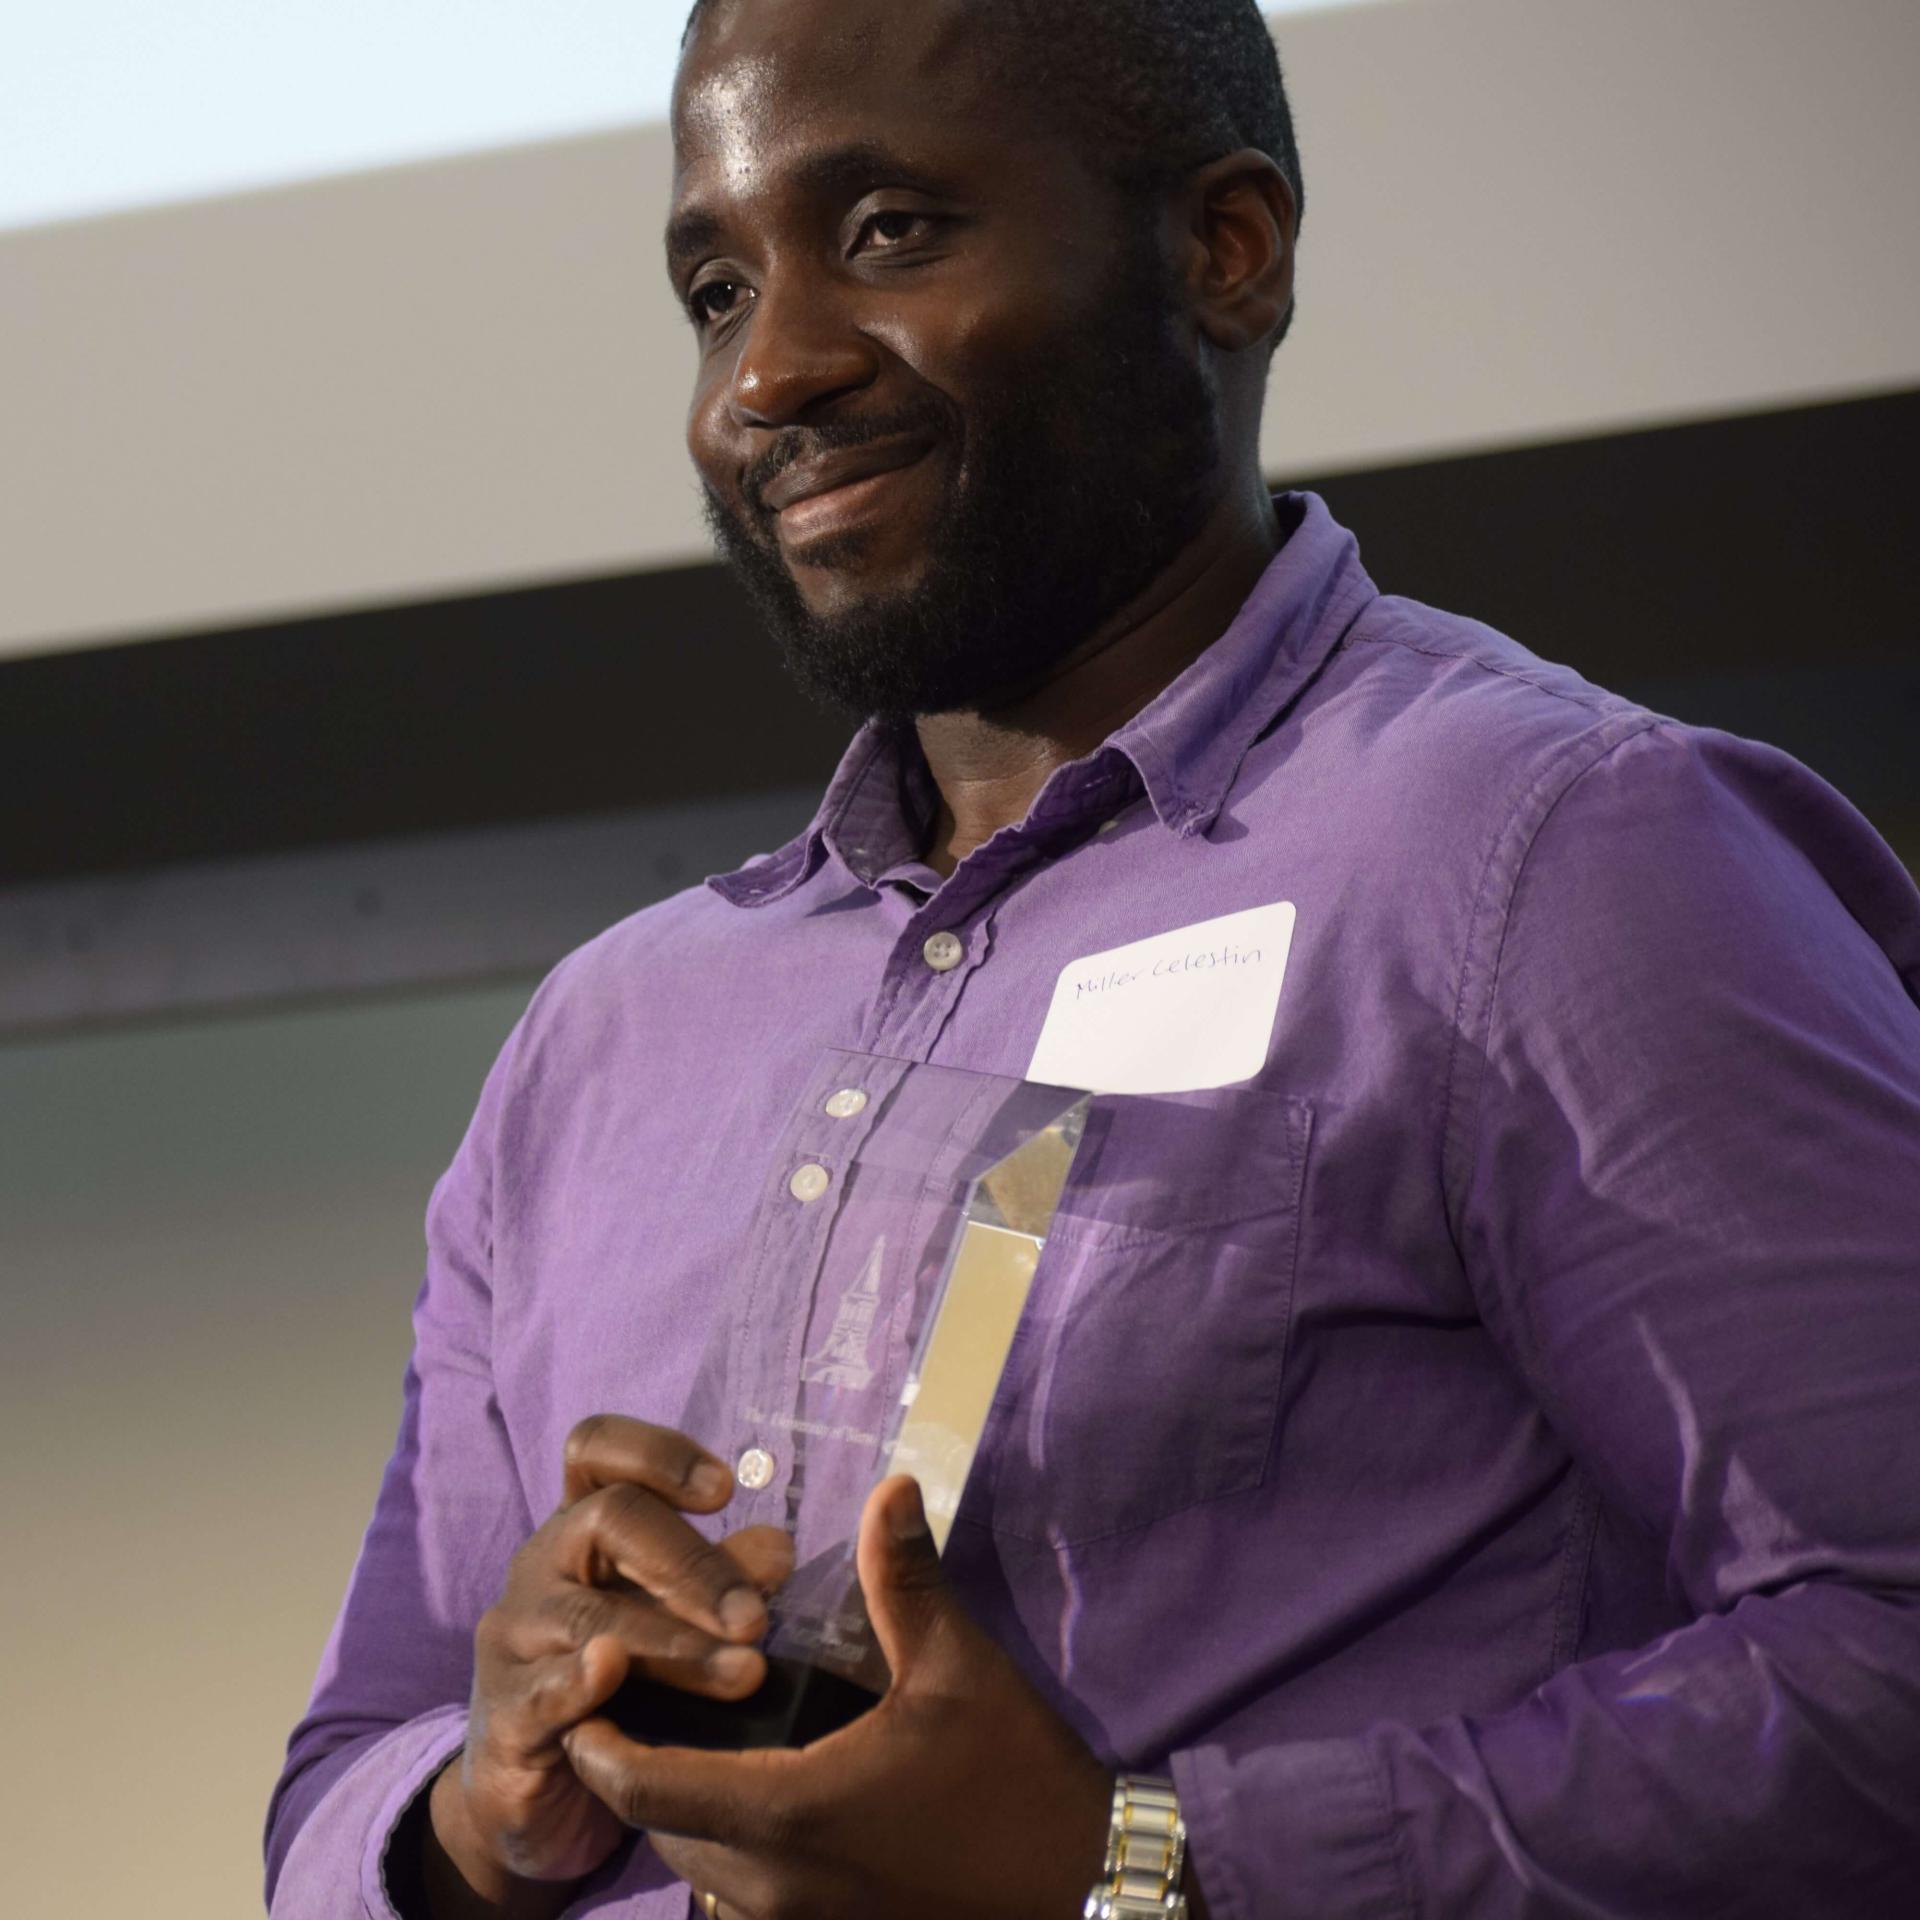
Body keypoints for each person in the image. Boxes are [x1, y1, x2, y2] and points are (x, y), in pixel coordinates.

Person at [265, 0, 1920, 1914]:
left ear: (1227, 251)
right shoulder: (608, 1036)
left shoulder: (1554, 858)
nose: (768, 373)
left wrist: (1135, 1870)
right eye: (715, 288)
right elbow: (338, 1792)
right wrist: (486, 1808)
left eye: (890, 231)